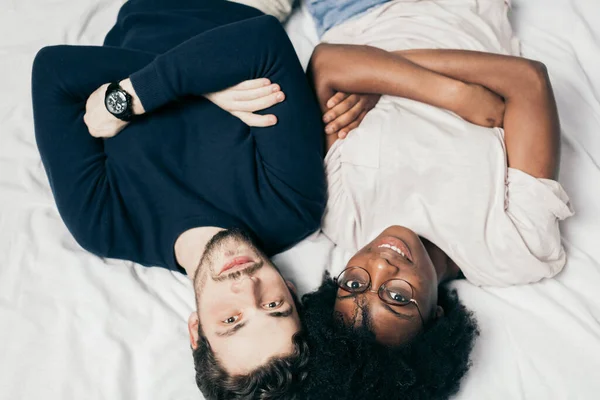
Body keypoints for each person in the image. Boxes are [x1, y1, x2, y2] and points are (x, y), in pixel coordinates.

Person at [31, 0, 324, 398]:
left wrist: (193, 82)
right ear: (290, 290)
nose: (248, 285)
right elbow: (262, 44)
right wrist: (139, 97)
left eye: (233, 319)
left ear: (196, 329)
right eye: (274, 307)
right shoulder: (290, 206)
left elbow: (53, 71)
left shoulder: (105, 225)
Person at [300, 0, 574, 398]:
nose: (380, 263)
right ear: (436, 319)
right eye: (396, 296)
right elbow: (528, 80)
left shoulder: (343, 219)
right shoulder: (512, 250)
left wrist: (441, 91)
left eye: (355, 283)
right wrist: (374, 74)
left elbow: (325, 63)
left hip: (353, 13)